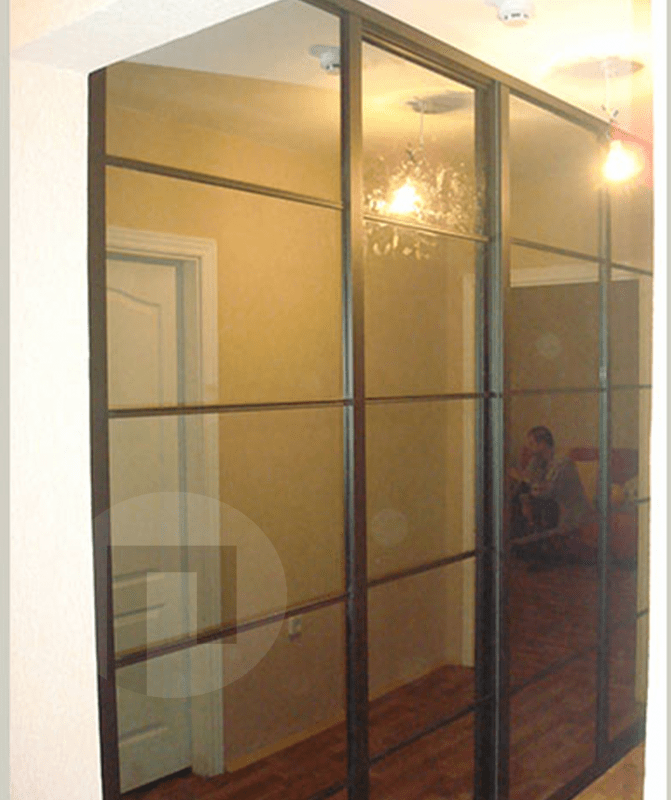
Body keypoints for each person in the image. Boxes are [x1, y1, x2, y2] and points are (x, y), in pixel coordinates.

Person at [509, 426, 591, 567]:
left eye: (532, 444)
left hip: (568, 513)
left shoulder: (562, 463)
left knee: (538, 501)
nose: (528, 448)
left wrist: (528, 487)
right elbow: (526, 481)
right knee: (518, 495)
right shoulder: (537, 460)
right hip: (550, 508)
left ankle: (539, 550)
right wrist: (525, 489)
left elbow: (548, 491)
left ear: (543, 444)